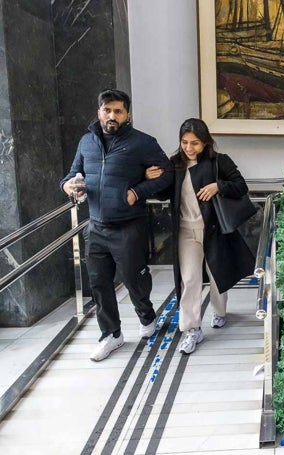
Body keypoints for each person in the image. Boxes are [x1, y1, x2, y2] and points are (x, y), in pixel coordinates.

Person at [60, 89, 173, 361]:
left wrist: (138, 191)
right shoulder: (87, 142)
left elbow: (168, 174)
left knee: (134, 279)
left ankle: (146, 315)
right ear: (99, 111)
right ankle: (111, 334)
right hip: (96, 226)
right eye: (107, 110)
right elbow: (71, 174)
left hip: (129, 225)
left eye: (118, 111)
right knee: (99, 283)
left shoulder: (142, 143)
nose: (112, 116)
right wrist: (68, 186)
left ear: (127, 114)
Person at [145, 118, 255, 355]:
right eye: (184, 142)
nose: (189, 147)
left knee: (217, 276)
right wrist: (152, 179)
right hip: (185, 231)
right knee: (190, 279)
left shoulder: (219, 161)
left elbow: (240, 186)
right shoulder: (174, 164)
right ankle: (192, 329)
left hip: (214, 231)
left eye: (194, 143)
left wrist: (218, 186)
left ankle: (220, 311)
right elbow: (165, 194)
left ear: (205, 143)